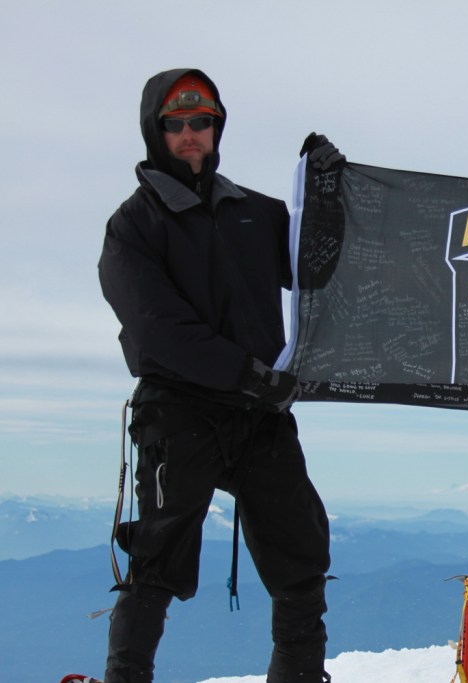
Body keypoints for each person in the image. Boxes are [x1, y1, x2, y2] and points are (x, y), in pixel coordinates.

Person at [97, 68, 344, 683]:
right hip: (180, 410)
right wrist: (248, 374)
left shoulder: (255, 213)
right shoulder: (133, 225)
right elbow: (157, 327)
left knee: (301, 554)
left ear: (217, 128)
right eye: (176, 124)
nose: (189, 134)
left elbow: (319, 267)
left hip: (259, 413)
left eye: (200, 122)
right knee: (155, 559)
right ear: (156, 131)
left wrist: (331, 194)